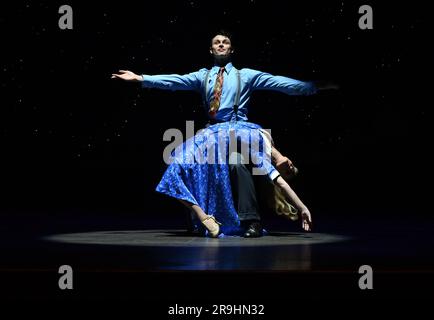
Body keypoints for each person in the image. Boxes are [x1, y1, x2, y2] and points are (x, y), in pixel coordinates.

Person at [112, 30, 335, 237]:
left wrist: (312, 86)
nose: (221, 44)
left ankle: (252, 221)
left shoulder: (246, 75)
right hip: (213, 134)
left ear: (231, 49)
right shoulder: (203, 76)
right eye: (216, 43)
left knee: (238, 163)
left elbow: (280, 83)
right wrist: (141, 79)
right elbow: (175, 80)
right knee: (183, 162)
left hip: (240, 131)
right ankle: (201, 216)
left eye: (225, 42)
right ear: (211, 50)